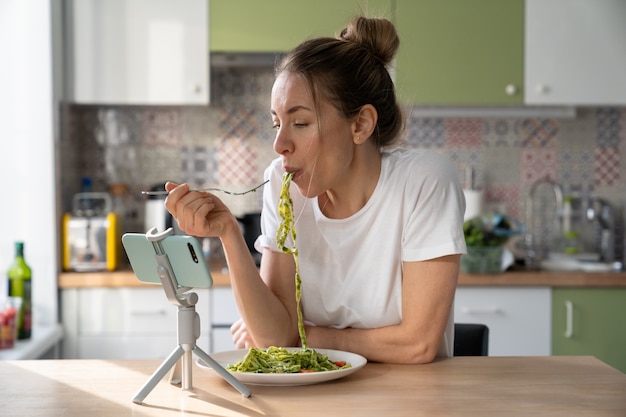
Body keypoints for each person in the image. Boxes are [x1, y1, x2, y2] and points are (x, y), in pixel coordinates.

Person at [164, 16, 466, 364]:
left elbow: (418, 344)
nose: (279, 144)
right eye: (277, 123)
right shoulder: (283, 184)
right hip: (314, 394)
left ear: (361, 124)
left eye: (301, 123)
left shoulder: (424, 182)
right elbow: (275, 337)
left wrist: (306, 335)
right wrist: (228, 233)